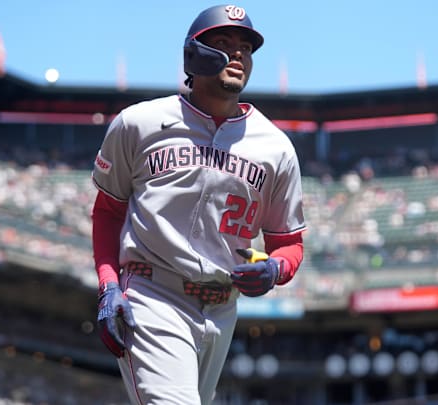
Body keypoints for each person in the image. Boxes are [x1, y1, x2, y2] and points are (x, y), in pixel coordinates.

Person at [90, 4, 306, 404]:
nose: (238, 53)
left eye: (246, 46)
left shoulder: (275, 147)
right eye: (222, 43)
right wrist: (108, 286)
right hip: (155, 293)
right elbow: (108, 211)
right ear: (193, 55)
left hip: (223, 308)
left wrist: (275, 270)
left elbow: (289, 243)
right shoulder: (140, 124)